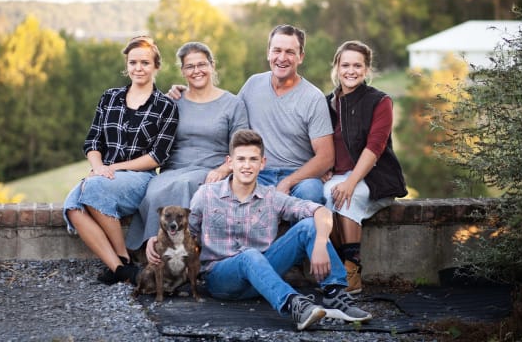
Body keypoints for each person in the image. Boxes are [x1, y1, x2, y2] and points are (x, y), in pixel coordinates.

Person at [148, 129, 372, 331]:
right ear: (230, 162)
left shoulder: (271, 197)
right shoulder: (206, 195)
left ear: (262, 163)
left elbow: (321, 211)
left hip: (264, 273)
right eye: (241, 159)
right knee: (249, 256)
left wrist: (321, 243)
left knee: (307, 226)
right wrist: (155, 241)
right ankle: (294, 305)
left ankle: (336, 295)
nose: (247, 165)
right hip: (222, 278)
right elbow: (187, 233)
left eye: (253, 159)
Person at [169, 24, 334, 205]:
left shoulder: (313, 97)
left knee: (311, 194)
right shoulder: (253, 85)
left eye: (290, 52)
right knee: (227, 195)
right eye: (276, 50)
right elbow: (226, 110)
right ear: (268, 53)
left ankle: (304, 233)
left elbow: (326, 156)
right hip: (256, 172)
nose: (282, 58)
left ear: (300, 57)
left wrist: (288, 181)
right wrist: (188, 92)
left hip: (299, 176)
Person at [63, 35, 179, 285]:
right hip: (104, 174)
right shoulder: (109, 98)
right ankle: (121, 268)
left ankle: (122, 257)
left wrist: (110, 168)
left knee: (91, 188)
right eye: (133, 62)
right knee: (72, 206)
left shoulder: (165, 106)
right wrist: (97, 167)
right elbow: (93, 141)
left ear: (156, 66)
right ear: (126, 65)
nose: (139, 68)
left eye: (145, 63)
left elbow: (156, 156)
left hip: (139, 178)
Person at [126, 41, 248, 252]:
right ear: (182, 71)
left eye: (201, 64)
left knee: (185, 184)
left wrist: (222, 169)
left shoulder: (233, 103)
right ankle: (154, 251)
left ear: (212, 66)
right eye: (190, 66)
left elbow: (241, 149)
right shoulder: (173, 101)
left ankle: (183, 252)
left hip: (210, 169)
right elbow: (148, 135)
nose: (196, 71)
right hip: (173, 169)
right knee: (153, 193)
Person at [322, 40, 408, 294]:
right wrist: (325, 168)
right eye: (345, 64)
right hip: (338, 175)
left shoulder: (380, 101)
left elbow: (375, 146)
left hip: (374, 177)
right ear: (336, 67)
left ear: (367, 69)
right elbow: (322, 142)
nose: (351, 71)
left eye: (358, 65)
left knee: (346, 197)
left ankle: (352, 271)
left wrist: (350, 183)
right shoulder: (328, 102)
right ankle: (336, 266)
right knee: (323, 197)